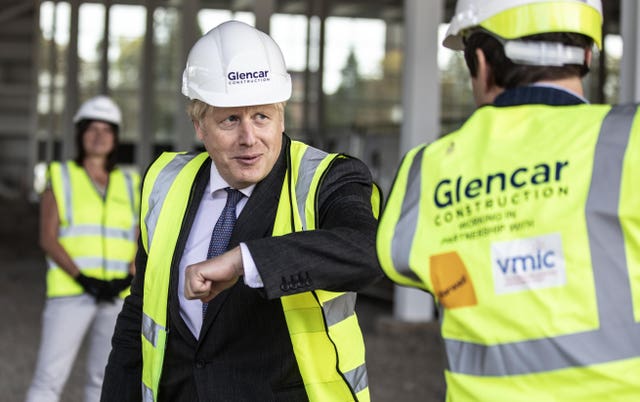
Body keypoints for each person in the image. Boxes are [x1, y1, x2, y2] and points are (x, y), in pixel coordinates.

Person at [101, 20, 382, 402]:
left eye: (262, 116)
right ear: (199, 125)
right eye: (230, 119)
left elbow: (367, 251)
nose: (249, 138)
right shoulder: (167, 182)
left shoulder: (329, 177)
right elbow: (139, 313)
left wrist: (243, 262)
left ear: (282, 116)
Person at [376, 1, 640, 401]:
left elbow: (399, 259)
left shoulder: (427, 169)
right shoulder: (629, 141)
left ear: (480, 63)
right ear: (588, 54)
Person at [26, 95, 140, 402]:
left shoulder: (131, 181)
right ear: (81, 135)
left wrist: (128, 277)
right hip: (72, 292)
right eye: (92, 129)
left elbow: (138, 234)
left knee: (104, 379)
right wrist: (83, 279)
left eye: (107, 129)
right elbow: (48, 237)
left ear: (115, 137)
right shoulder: (61, 176)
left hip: (118, 294)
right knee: (49, 378)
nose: (99, 136)